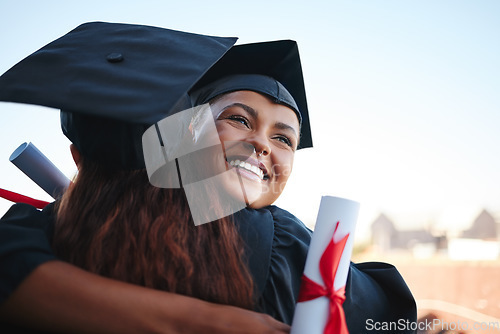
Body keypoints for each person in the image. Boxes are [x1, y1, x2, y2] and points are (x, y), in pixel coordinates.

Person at [0, 22, 416, 333]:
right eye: (237, 118)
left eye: (284, 139)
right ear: (189, 134)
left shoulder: (31, 232)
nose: (262, 145)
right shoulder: (284, 244)